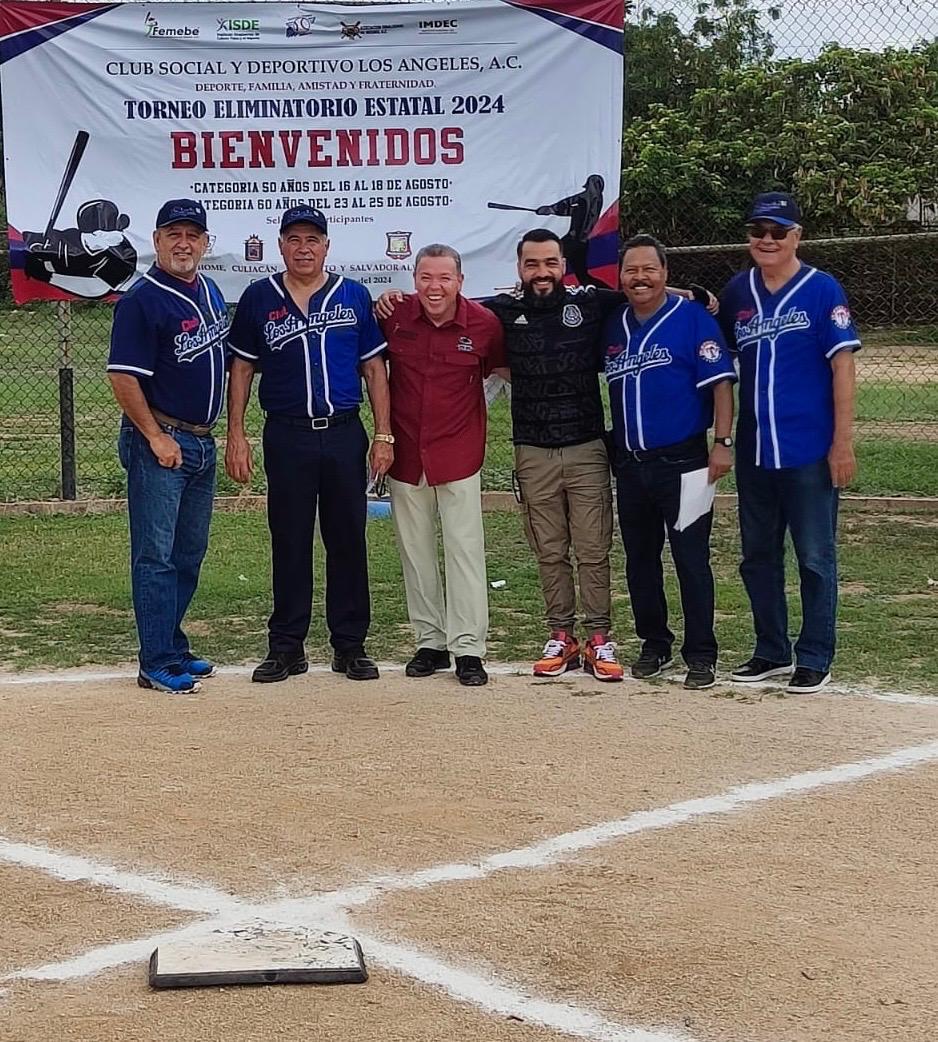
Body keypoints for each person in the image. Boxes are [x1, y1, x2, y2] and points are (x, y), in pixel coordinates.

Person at [225, 206, 393, 683]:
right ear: (280, 245)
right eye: (294, 239)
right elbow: (240, 368)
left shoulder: (353, 296)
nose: (304, 248)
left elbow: (374, 370)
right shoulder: (259, 298)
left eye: (312, 239)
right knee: (291, 539)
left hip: (343, 431)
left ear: (326, 245)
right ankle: (287, 646)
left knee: (347, 539)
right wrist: (236, 433)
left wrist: (383, 433)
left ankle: (350, 644)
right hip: (287, 433)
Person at [720, 192, 860, 693]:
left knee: (815, 558)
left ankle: (815, 655)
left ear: (797, 236)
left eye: (778, 231)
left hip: (808, 447)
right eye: (759, 230)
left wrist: (842, 442)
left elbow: (842, 366)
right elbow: (720, 362)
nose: (767, 240)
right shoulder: (739, 292)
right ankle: (771, 649)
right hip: (757, 448)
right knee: (757, 555)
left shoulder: (822, 290)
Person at [602, 234, 736, 690]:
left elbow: (721, 385)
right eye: (631, 270)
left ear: (666, 273)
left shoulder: (692, 319)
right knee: (640, 559)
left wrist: (723, 442)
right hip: (631, 463)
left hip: (684, 459)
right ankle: (654, 643)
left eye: (649, 269)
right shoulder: (615, 322)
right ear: (620, 277)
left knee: (690, 558)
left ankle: (701, 653)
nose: (640, 278)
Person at [106, 199, 228, 693]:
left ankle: (172, 645)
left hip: (199, 442)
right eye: (173, 233)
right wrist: (154, 436)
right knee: (155, 555)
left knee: (188, 553)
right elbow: (122, 377)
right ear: (155, 241)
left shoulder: (209, 288)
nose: (184, 243)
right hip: (161, 441)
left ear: (204, 243)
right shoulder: (142, 299)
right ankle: (155, 660)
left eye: (193, 235)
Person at [380, 244, 505, 687]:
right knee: (415, 554)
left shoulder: (485, 324)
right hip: (406, 454)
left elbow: (502, 375)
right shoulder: (394, 317)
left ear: (460, 281)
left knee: (464, 552)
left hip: (459, 452)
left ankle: (469, 648)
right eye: (426, 278)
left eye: (444, 278)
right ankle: (430, 642)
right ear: (415, 279)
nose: (435, 288)